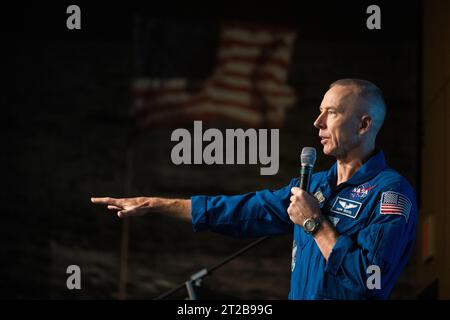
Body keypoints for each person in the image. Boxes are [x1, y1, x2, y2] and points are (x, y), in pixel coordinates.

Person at [91, 79, 417, 300]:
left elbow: (368, 282)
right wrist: (156, 204)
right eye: (319, 111)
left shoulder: (390, 194)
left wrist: (315, 226)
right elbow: (244, 210)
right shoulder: (314, 185)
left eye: (331, 113)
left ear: (363, 124)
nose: (317, 123)